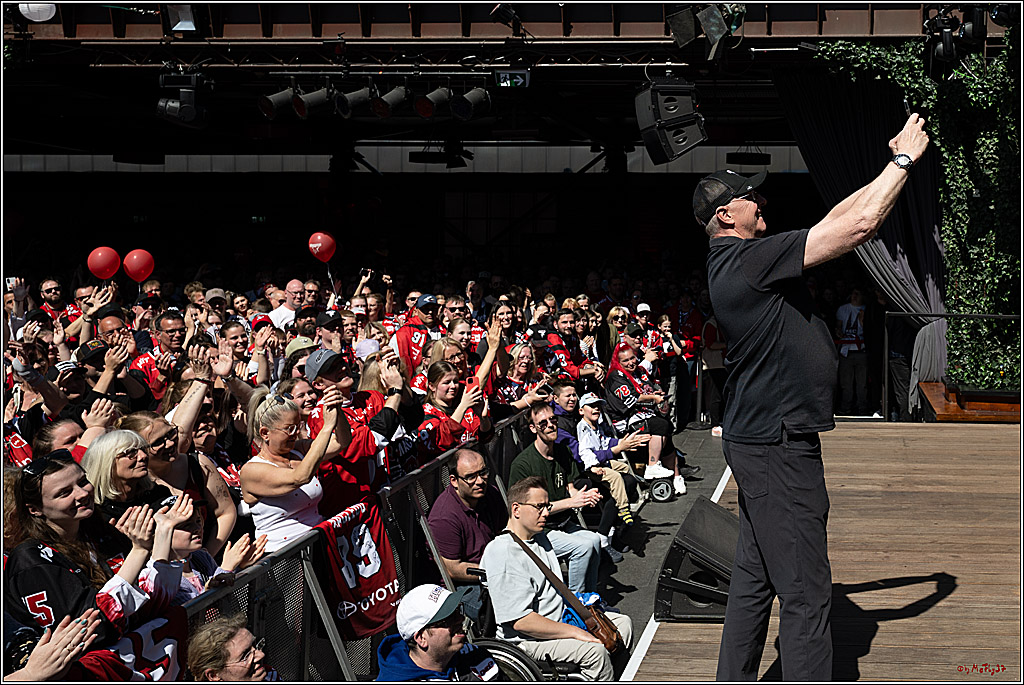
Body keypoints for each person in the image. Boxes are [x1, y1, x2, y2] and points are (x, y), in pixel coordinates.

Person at [696, 111, 929, 681]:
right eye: (752, 199)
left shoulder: (744, 262)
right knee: (805, 594)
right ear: (726, 214)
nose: (763, 205)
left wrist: (884, 167)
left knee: (754, 579)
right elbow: (859, 228)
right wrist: (903, 163)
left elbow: (835, 218)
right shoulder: (749, 263)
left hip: (759, 441)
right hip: (777, 445)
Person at [480, 476, 633, 681]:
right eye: (539, 507)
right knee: (594, 652)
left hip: (560, 618)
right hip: (527, 640)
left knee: (623, 625)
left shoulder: (539, 538)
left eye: (547, 506)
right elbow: (521, 622)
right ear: (516, 509)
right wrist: (576, 633)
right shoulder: (503, 552)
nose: (546, 512)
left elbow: (583, 547)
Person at [239, 385, 349, 552]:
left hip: (319, 543)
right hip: (285, 557)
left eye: (298, 426)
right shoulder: (251, 471)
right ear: (265, 433)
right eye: (289, 428)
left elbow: (342, 442)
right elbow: (300, 477)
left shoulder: (299, 450)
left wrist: (337, 412)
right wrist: (327, 427)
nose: (296, 433)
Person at [507, 403, 604, 592]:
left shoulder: (561, 451)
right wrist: (571, 502)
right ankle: (575, 604)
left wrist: (584, 496)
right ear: (533, 428)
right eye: (543, 423)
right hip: (537, 531)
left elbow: (569, 488)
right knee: (582, 548)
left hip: (562, 523)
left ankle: (592, 601)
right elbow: (530, 511)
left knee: (595, 541)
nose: (551, 425)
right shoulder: (523, 464)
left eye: (553, 420)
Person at [426, 448, 508, 623]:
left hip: (494, 568)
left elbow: (505, 531)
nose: (480, 481)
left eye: (483, 473)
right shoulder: (444, 517)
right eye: (471, 477)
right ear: (454, 481)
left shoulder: (490, 493)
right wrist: (497, 572)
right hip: (463, 586)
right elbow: (452, 569)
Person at [376, 583, 501, 681]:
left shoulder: (475, 656)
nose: (460, 619)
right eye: (447, 619)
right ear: (421, 638)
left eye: (458, 610)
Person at [188, 613, 272, 681]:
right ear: (213, 675)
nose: (261, 655)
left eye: (255, 645)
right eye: (246, 655)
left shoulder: (269, 675)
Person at [835, 288, 869, 415]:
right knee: (846, 383)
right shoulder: (842, 309)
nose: (854, 296)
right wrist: (838, 332)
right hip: (846, 350)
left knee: (862, 383)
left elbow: (870, 330)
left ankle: (862, 408)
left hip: (861, 350)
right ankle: (845, 407)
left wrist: (862, 320)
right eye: (852, 293)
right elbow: (838, 326)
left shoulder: (866, 309)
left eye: (857, 294)